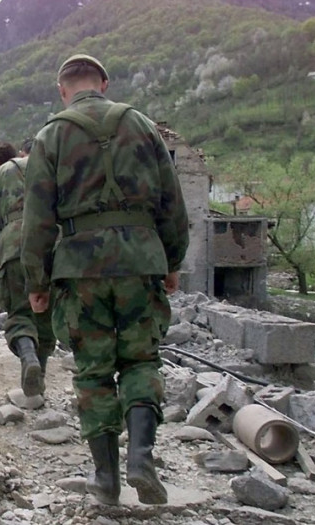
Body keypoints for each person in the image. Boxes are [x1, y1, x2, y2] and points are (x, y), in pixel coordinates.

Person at [20, 54, 189, 506]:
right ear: (105, 84)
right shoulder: (143, 126)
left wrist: (36, 281)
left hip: (79, 268)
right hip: (140, 260)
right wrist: (171, 261)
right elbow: (173, 203)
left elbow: (36, 218)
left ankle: (106, 480)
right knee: (140, 360)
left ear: (62, 90)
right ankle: (141, 458)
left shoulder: (51, 134)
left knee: (93, 371)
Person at [0, 140, 56, 398]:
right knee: (45, 314)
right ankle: (38, 378)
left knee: (20, 312)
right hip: (52, 245)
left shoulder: (4, 171)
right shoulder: (54, 168)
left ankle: (28, 358)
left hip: (15, 246)